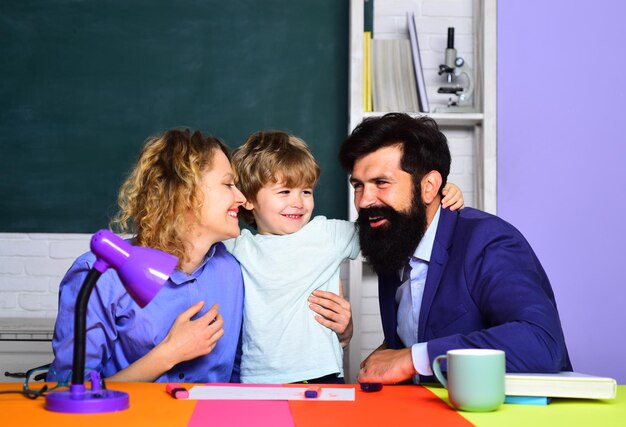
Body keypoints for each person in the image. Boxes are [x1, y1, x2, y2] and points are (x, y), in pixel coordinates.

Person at [338, 113, 572, 384]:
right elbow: (431, 327)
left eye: (381, 183)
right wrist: (390, 353)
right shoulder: (392, 243)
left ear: (429, 187)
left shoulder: (488, 241)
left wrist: (411, 358)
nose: (365, 200)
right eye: (358, 186)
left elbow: (541, 343)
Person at [224, 130, 464, 384]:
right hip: (259, 380)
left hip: (322, 376)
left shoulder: (327, 234)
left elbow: (390, 229)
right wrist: (172, 267)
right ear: (247, 200)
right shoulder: (239, 246)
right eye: (285, 192)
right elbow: (181, 246)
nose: (299, 202)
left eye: (306, 191)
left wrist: (438, 194)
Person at [48, 128, 246, 383]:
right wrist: (169, 353)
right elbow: (64, 392)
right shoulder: (101, 276)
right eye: (228, 184)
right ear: (185, 192)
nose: (242, 198)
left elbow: (239, 377)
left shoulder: (231, 272)